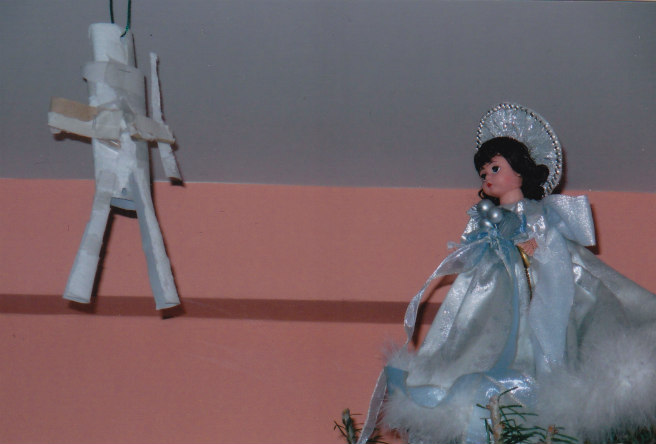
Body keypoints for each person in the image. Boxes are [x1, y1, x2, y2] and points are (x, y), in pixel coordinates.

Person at [358, 103, 656, 444]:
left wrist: (532, 247)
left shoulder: (537, 214)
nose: (487, 177)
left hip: (532, 283)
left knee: (540, 332)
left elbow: (555, 253)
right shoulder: (486, 220)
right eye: (484, 172)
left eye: (495, 168)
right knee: (474, 331)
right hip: (492, 287)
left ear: (521, 170)